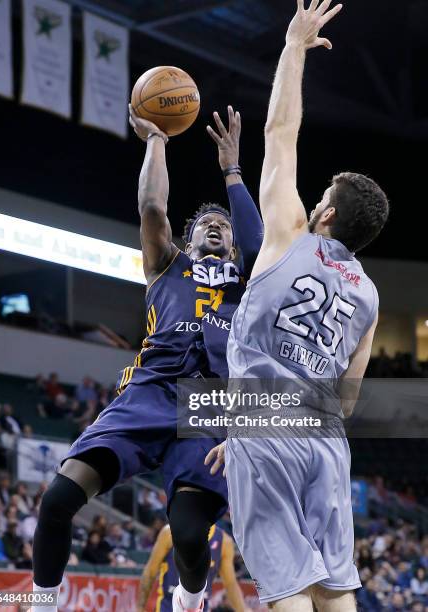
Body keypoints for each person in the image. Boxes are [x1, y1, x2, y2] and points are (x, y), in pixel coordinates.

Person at [31, 106, 263, 612]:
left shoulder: (247, 290)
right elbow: (153, 208)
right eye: (206, 223)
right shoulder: (168, 266)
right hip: (147, 393)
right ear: (189, 238)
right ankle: (42, 601)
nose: (216, 227)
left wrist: (232, 171)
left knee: (187, 535)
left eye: (223, 224)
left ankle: (190, 598)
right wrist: (157, 139)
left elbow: (258, 243)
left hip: (209, 407)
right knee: (57, 501)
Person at [206, 1, 389, 611]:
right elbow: (348, 397)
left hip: (268, 429)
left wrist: (292, 48)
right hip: (327, 444)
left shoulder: (287, 230)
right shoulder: (369, 294)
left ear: (326, 214)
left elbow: (280, 133)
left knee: (285, 591)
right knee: (335, 589)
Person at [137, 523, 247, 612]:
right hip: (169, 605)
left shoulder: (224, 541)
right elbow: (150, 573)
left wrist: (243, 610)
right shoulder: (169, 532)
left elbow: (230, 584)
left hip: (200, 606)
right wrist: (140, 608)